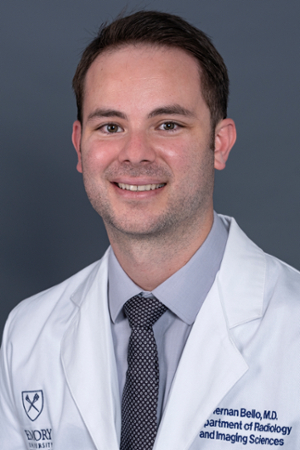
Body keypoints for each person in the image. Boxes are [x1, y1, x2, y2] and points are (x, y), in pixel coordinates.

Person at [0, 10, 299, 450]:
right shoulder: (27, 334)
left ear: (219, 143)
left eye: (168, 125)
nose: (135, 154)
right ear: (80, 146)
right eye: (111, 126)